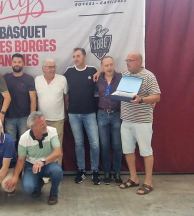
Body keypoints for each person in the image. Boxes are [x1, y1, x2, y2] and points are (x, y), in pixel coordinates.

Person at [118, 52, 160, 195]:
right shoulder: (124, 73)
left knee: (146, 151)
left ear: (139, 61)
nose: (127, 63)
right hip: (126, 120)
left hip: (142, 121)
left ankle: (148, 182)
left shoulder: (149, 76)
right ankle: (133, 178)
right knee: (128, 150)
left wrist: (141, 99)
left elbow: (157, 96)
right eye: (127, 60)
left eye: (130, 60)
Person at [5, 111, 63, 205]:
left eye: (44, 122)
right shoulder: (24, 138)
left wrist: (43, 161)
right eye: (42, 124)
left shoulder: (52, 131)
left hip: (49, 164)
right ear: (33, 127)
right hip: (31, 166)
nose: (45, 126)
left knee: (57, 171)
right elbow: (20, 160)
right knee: (28, 188)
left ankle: (54, 193)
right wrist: (15, 177)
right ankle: (38, 184)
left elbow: (58, 152)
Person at [64, 48, 100, 185]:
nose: (76, 59)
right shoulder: (68, 72)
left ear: (84, 57)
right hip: (73, 113)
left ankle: (95, 171)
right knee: (78, 143)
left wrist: (101, 71)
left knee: (95, 144)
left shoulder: (92, 70)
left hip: (90, 113)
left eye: (78, 56)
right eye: (74, 56)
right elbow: (64, 90)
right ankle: (81, 170)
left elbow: (105, 78)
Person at [35, 58, 68, 166]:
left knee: (57, 146)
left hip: (58, 119)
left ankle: (56, 171)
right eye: (49, 67)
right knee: (42, 146)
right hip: (41, 120)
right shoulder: (37, 80)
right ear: (43, 69)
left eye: (54, 67)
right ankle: (44, 171)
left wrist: (65, 112)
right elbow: (34, 99)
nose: (52, 69)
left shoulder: (62, 79)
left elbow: (66, 96)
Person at [96, 56, 123, 185]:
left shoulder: (120, 77)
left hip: (116, 115)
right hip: (101, 114)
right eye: (106, 65)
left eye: (111, 64)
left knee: (117, 145)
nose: (109, 67)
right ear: (102, 66)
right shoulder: (98, 78)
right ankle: (107, 172)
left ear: (114, 64)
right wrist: (99, 72)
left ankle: (116, 172)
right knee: (105, 145)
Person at [4, 53, 36, 142]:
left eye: (19, 62)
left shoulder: (29, 79)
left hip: (24, 117)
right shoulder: (5, 78)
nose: (17, 64)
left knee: (25, 142)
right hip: (9, 117)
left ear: (23, 63)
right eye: (14, 62)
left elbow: (33, 99)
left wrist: (31, 118)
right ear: (11, 63)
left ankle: (23, 157)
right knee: (10, 143)